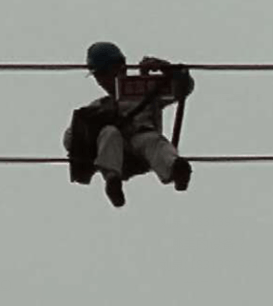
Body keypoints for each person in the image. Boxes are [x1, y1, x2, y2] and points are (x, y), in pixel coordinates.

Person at [63, 41, 194, 207]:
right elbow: (69, 140)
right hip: (118, 155)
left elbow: (184, 88)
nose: (101, 80)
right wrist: (89, 124)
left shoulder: (143, 92)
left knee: (152, 140)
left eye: (104, 73)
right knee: (109, 133)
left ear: (121, 68)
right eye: (99, 76)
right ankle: (112, 181)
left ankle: (176, 169)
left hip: (143, 147)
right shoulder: (98, 106)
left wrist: (165, 68)